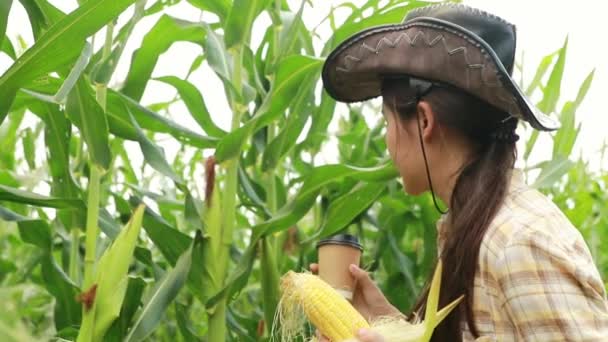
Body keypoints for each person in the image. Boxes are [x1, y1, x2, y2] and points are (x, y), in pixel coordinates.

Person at [311, 3, 608, 341]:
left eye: (387, 121)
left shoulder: (520, 242)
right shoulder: (474, 229)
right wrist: (387, 323)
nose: (387, 139)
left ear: (424, 121)